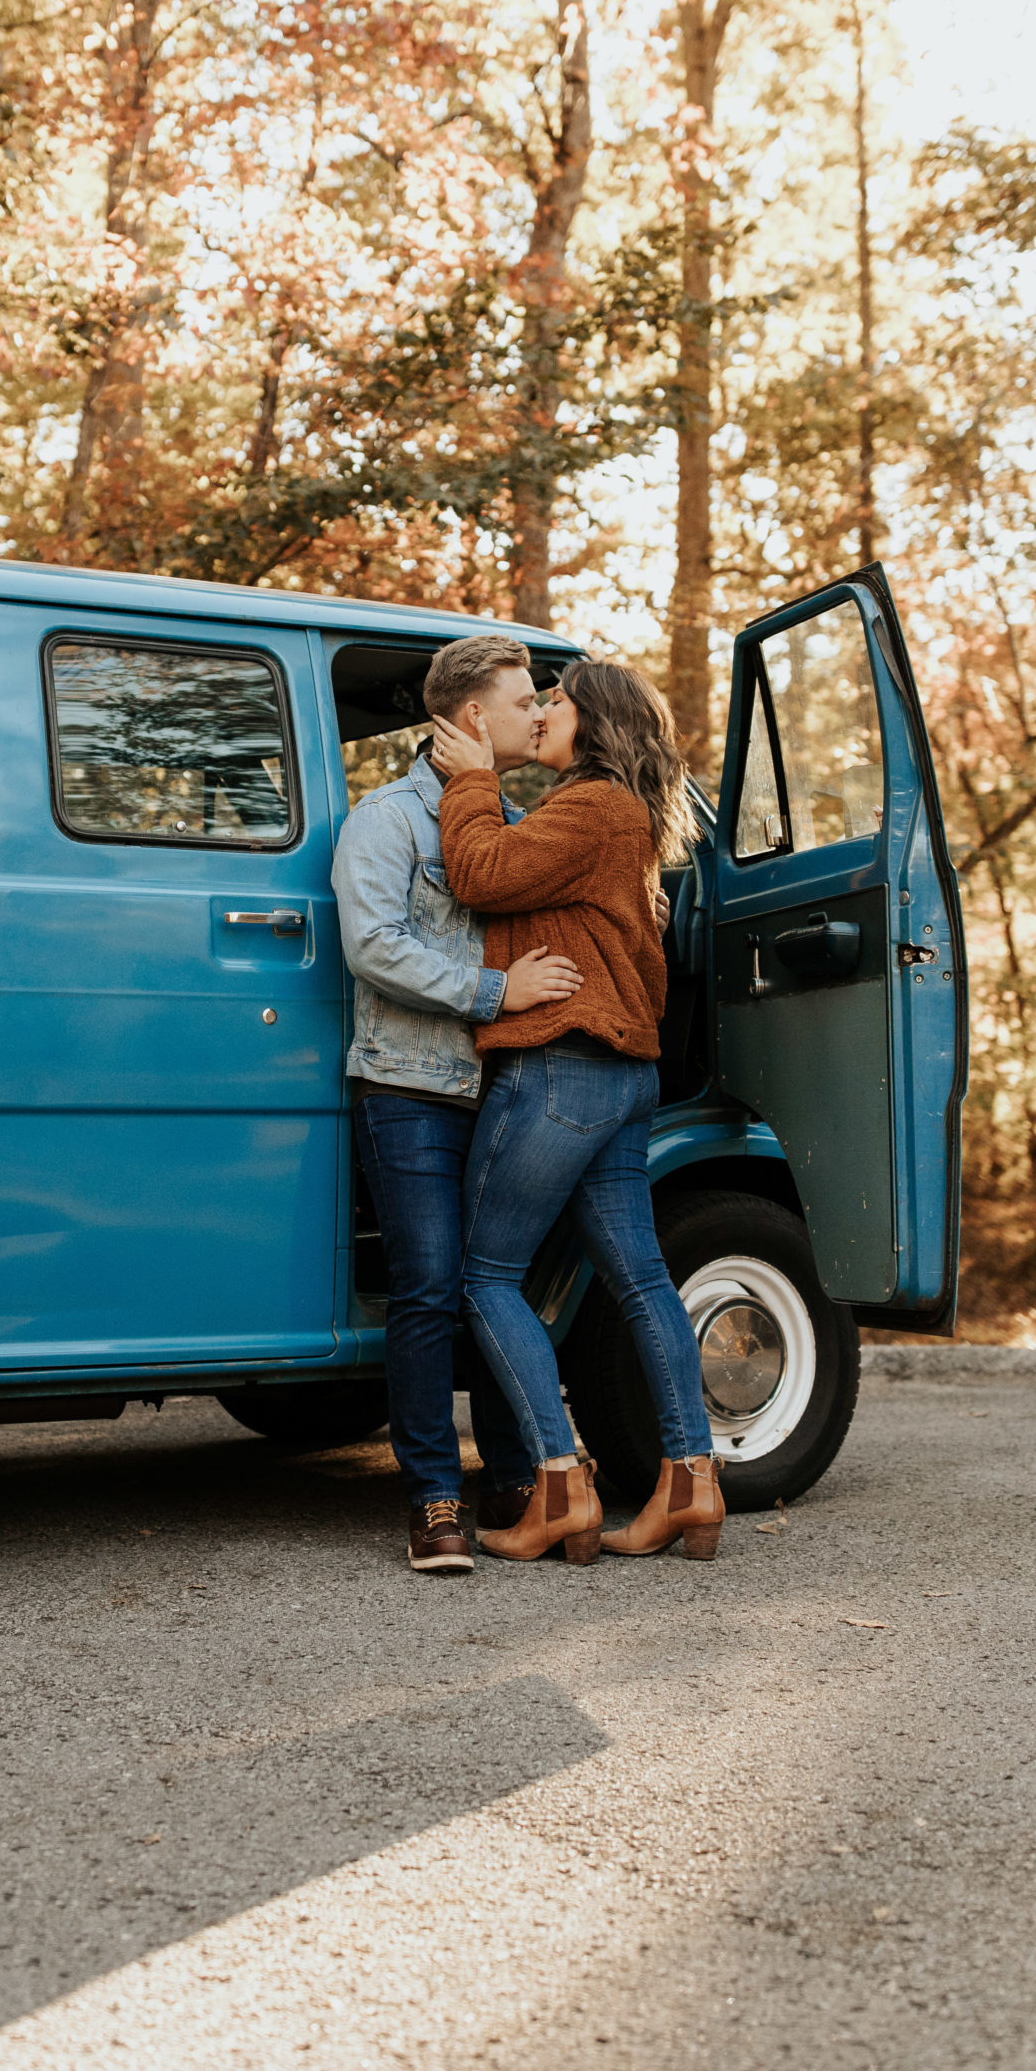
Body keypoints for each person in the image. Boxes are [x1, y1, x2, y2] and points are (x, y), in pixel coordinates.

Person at [429, 657, 724, 1566]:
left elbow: (478, 870)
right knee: (638, 1280)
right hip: (618, 1076)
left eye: (555, 700)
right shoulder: (608, 818)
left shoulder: (594, 808)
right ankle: (690, 1480)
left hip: (562, 1071)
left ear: (594, 723)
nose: (543, 710)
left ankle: (558, 1485)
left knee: (484, 1277)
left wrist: (472, 779)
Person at [332, 633, 585, 1573]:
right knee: (432, 1289)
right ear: (473, 716)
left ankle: (518, 1485)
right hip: (409, 1087)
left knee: (499, 1290)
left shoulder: (511, 821)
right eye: (525, 701)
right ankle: (435, 1498)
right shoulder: (385, 820)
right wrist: (493, 994)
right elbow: (375, 947)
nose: (538, 714)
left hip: (510, 1093)